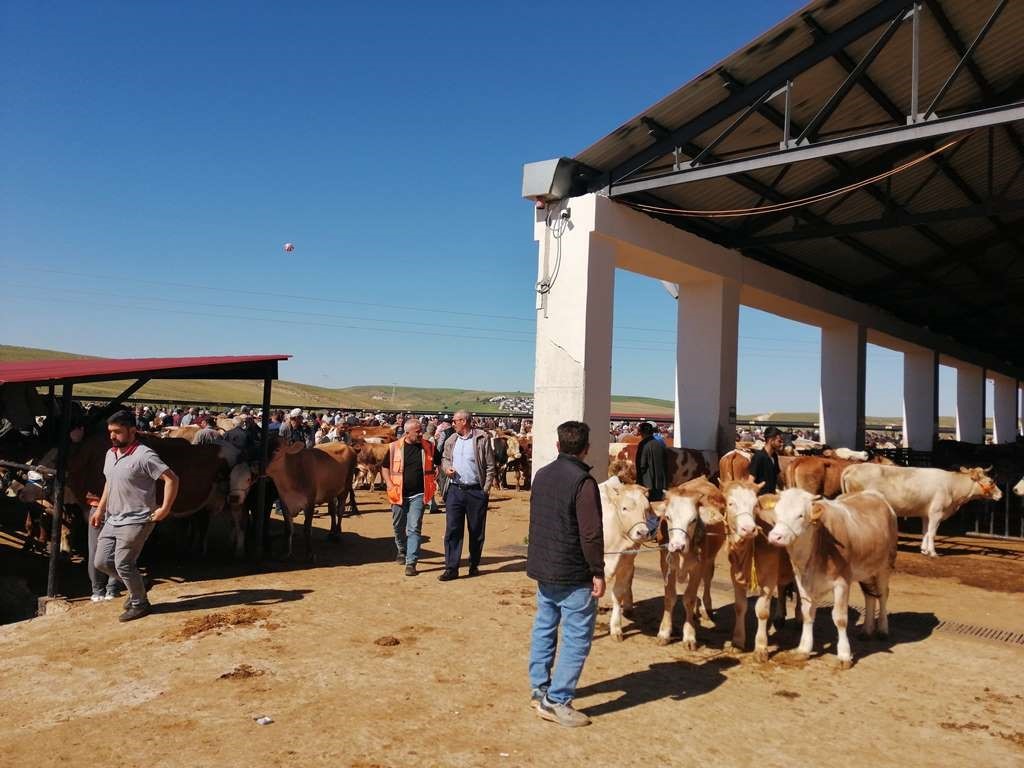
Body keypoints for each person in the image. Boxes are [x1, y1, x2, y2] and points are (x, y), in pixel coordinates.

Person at [526, 420, 604, 728]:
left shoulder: (542, 475)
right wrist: (597, 571)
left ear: (558, 446)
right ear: (586, 449)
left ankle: (539, 688)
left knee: (544, 627)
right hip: (573, 572)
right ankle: (557, 701)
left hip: (545, 566)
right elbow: (591, 534)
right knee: (576, 639)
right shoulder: (584, 482)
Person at [91, 410, 179, 621]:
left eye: (117, 432)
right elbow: (109, 483)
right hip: (113, 518)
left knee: (123, 563)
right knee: (101, 562)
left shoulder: (144, 455)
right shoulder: (110, 454)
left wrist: (165, 509)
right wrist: (101, 509)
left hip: (138, 518)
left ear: (132, 430)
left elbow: (171, 479)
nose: (112, 436)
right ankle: (139, 583)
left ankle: (140, 603)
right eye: (110, 432)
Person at [438, 410, 495, 581]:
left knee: (476, 529)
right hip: (455, 490)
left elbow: (490, 466)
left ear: (464, 421)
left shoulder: (481, 439)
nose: (452, 424)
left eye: (455, 421)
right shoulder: (451, 440)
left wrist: (485, 489)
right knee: (453, 529)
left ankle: (474, 563)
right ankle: (451, 567)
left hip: (476, 491)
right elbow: (445, 458)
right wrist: (446, 468)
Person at [382, 419, 436, 577]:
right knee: (398, 525)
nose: (421, 434)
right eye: (417, 431)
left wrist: (438, 474)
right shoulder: (394, 447)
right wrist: (389, 483)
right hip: (398, 493)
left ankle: (411, 562)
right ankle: (401, 549)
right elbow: (385, 467)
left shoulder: (428, 446)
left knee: (414, 528)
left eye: (421, 431)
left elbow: (439, 462)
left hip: (419, 494)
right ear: (407, 433)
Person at [635, 422, 666, 501]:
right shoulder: (659, 444)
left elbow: (642, 465)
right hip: (660, 482)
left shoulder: (643, 444)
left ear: (642, 432)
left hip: (647, 483)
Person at [749, 425, 783, 493]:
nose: (781, 444)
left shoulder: (774, 456)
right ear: (771, 441)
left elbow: (778, 477)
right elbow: (750, 482)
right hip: (761, 499)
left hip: (771, 497)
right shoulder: (758, 457)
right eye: (779, 441)